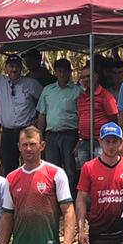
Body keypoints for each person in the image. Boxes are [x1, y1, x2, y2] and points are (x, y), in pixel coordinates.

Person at [0, 46, 43, 175]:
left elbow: (44, 103)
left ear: (21, 68)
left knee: (32, 165)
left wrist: (38, 121)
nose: (14, 69)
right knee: (9, 168)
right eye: (11, 66)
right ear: (6, 68)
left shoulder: (31, 83)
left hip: (27, 131)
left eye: (17, 66)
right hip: (8, 133)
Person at [36, 58, 82, 190]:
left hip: (70, 135)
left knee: (70, 170)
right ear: (55, 72)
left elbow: (81, 115)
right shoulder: (48, 90)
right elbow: (42, 114)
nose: (62, 74)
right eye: (59, 71)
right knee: (51, 169)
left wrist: (80, 136)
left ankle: (71, 201)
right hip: (51, 135)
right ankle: (53, 201)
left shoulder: (77, 91)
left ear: (70, 72)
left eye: (65, 71)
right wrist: (40, 136)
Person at [75, 60, 120, 171]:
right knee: (85, 171)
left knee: (102, 170)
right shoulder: (81, 97)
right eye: (83, 77)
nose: (86, 79)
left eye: (89, 76)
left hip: (101, 141)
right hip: (84, 141)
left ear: (96, 77)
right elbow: (80, 118)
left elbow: (114, 118)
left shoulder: (106, 96)